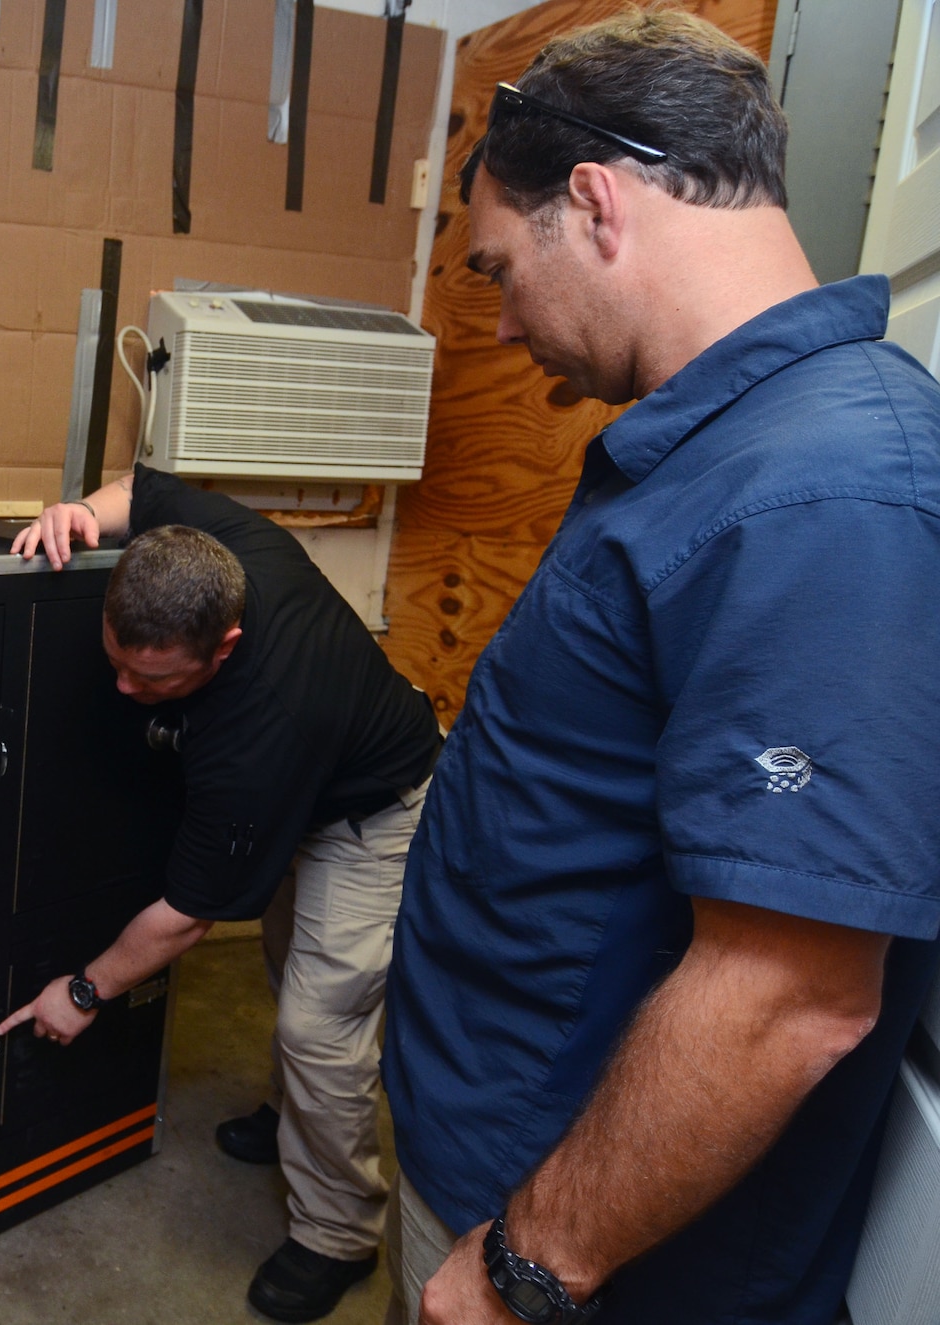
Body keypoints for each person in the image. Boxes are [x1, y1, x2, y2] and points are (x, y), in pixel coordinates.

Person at [381, 15, 940, 1325]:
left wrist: (526, 1266)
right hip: (499, 1157)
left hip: (584, 1257)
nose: (507, 324)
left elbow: (786, 994)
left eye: (504, 270)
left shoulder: (826, 490)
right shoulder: (725, 450)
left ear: (597, 202)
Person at [0, 467, 442, 1322]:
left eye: (153, 681)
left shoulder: (260, 728)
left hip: (370, 809)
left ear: (225, 644)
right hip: (308, 777)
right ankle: (291, 1118)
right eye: (117, 662)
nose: (127, 691)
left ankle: (338, 1232)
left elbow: (184, 916)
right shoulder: (209, 545)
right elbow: (142, 487)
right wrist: (81, 512)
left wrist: (85, 990)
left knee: (322, 1024)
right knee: (288, 962)